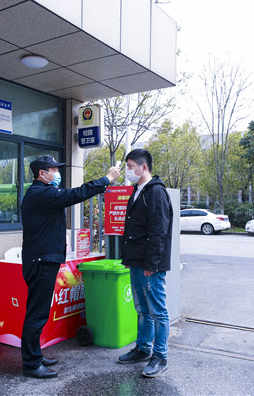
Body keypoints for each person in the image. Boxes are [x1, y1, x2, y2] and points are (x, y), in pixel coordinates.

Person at [20, 155, 120, 379]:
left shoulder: (42, 194)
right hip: (41, 261)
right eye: (54, 170)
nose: (57, 174)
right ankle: (31, 364)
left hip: (43, 259)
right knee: (36, 314)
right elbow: (76, 194)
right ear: (42, 173)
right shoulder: (41, 194)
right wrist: (107, 178)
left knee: (39, 312)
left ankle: (34, 354)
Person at [117, 149, 173, 378]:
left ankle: (160, 356)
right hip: (137, 261)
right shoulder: (137, 191)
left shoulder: (156, 192)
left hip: (151, 265)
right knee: (142, 309)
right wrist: (130, 258)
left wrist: (152, 263)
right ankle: (143, 348)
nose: (128, 170)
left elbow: (159, 230)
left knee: (157, 311)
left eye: (130, 166)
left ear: (143, 167)